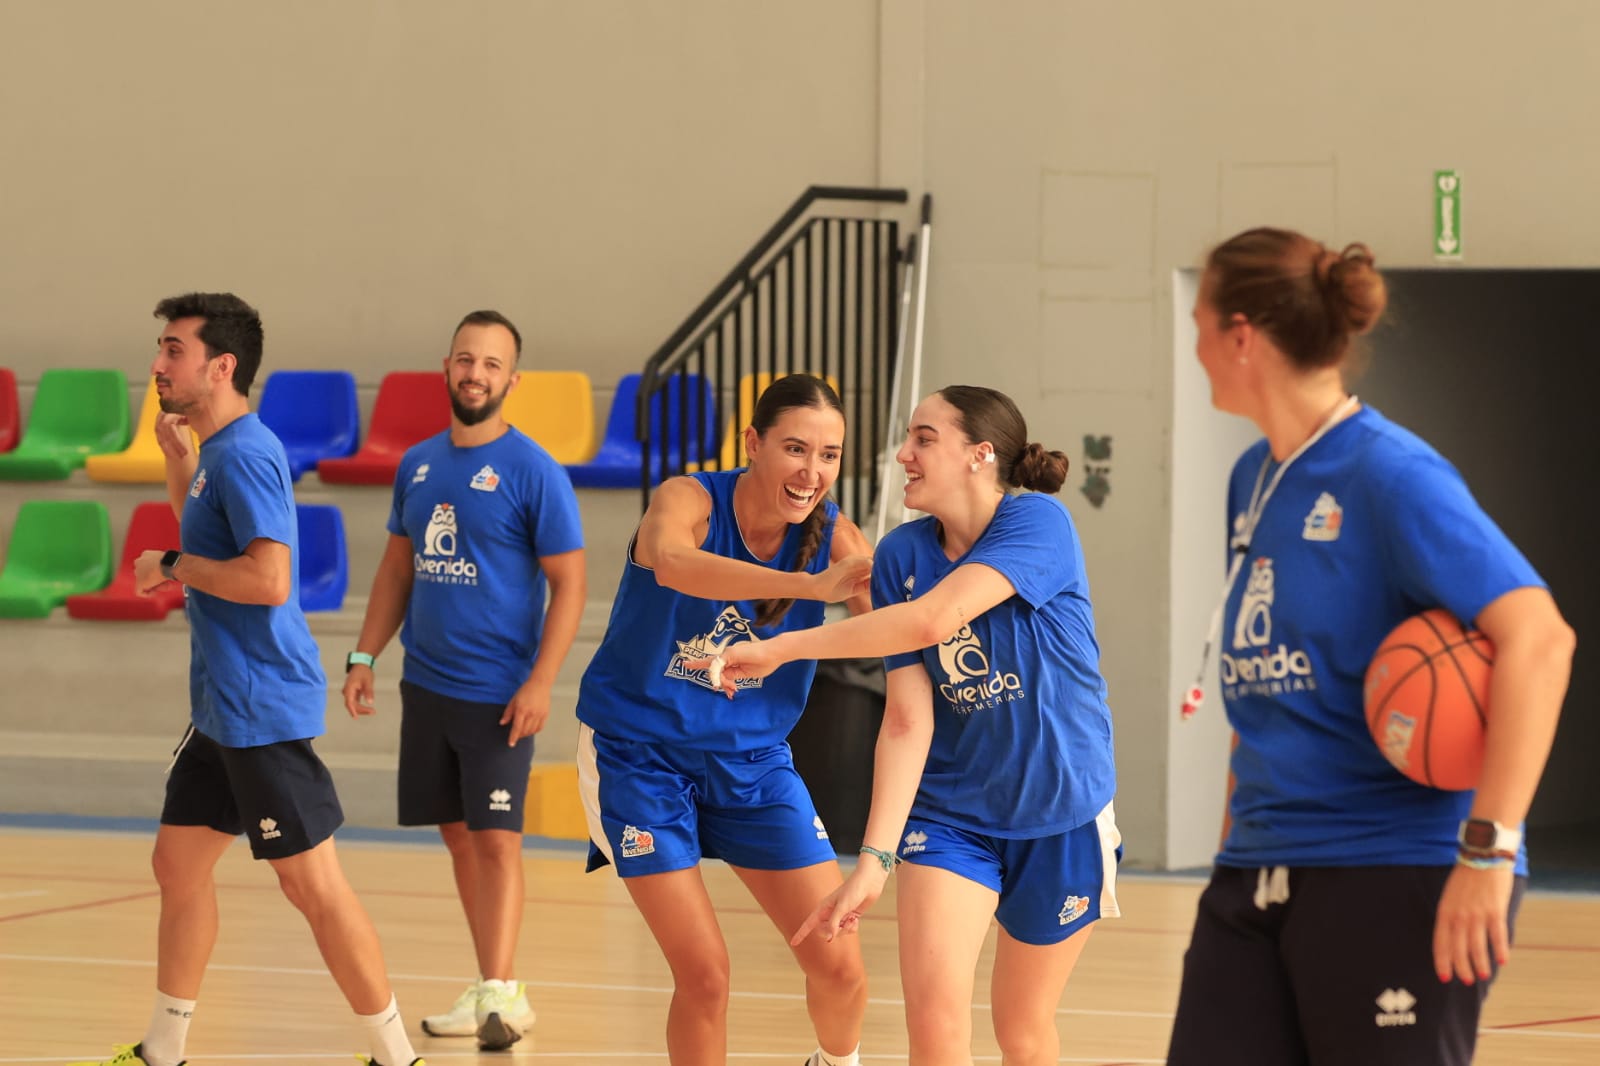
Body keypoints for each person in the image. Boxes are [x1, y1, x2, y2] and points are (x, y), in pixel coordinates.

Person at [1165, 227, 1575, 1065]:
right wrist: (1230, 848)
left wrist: (1489, 853)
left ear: (1240, 334)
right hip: (1258, 865)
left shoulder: (1391, 474)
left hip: (1392, 867)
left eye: (1200, 320)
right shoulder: (1255, 477)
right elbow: (1269, 694)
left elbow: (1540, 638)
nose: (1196, 342)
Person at [702, 385, 1122, 1066]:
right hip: (952, 815)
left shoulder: (1039, 524)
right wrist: (874, 859)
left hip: (1062, 811)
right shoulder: (901, 555)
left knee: (1022, 1032)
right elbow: (904, 719)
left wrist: (776, 649)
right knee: (933, 1025)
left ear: (979, 455)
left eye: (924, 438)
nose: (903, 453)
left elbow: (933, 620)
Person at [73, 294, 422, 1066]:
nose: (158, 365)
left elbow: (268, 579)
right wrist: (177, 469)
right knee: (177, 865)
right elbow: (212, 535)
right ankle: (164, 1049)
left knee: (314, 889)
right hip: (222, 707)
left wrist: (167, 565)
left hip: (260, 707)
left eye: (172, 350)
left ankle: (398, 1058)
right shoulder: (214, 453)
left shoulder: (249, 452)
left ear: (219, 365)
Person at [574, 374, 874, 1066]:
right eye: (795, 449)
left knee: (841, 964)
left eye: (828, 455)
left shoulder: (837, 538)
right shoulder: (688, 498)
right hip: (636, 753)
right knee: (706, 974)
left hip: (752, 760)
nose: (812, 471)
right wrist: (805, 588)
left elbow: (897, 630)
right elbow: (673, 564)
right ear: (753, 444)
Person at [341, 310, 586, 1050]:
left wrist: (543, 682)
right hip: (429, 687)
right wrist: (363, 656)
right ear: (447, 366)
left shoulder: (534, 470)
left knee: (498, 839)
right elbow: (396, 568)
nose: (475, 373)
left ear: (512, 380)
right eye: (464, 359)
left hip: (500, 692)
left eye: (491, 364)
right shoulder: (417, 463)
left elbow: (570, 584)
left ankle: (502, 995)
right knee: (457, 835)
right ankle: (493, 985)